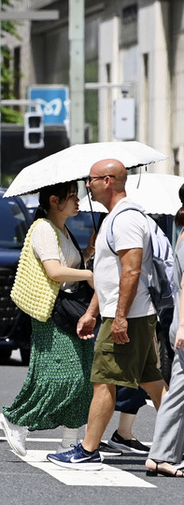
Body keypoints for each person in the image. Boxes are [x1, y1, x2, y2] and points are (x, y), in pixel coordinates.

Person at [47, 159, 169, 470]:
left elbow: (131, 271)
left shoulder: (126, 219)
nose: (86, 185)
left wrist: (119, 318)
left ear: (108, 181)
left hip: (127, 314)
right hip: (128, 313)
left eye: (91, 179)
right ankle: (175, 442)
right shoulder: (115, 219)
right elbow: (110, 275)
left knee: (103, 381)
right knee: (153, 382)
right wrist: (91, 312)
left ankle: (87, 449)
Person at [0, 181, 95, 456]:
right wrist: (89, 275)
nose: (78, 201)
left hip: (72, 310)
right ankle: (16, 418)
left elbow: (69, 265)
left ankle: (70, 440)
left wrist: (88, 252)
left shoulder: (64, 229)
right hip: (52, 313)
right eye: (72, 196)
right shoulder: (42, 229)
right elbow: (55, 271)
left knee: (84, 376)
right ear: (54, 200)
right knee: (63, 376)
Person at [144, 182, 184, 478]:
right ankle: (162, 454)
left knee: (177, 393)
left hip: (180, 324)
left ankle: (162, 454)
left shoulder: (182, 233)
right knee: (177, 393)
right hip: (183, 324)